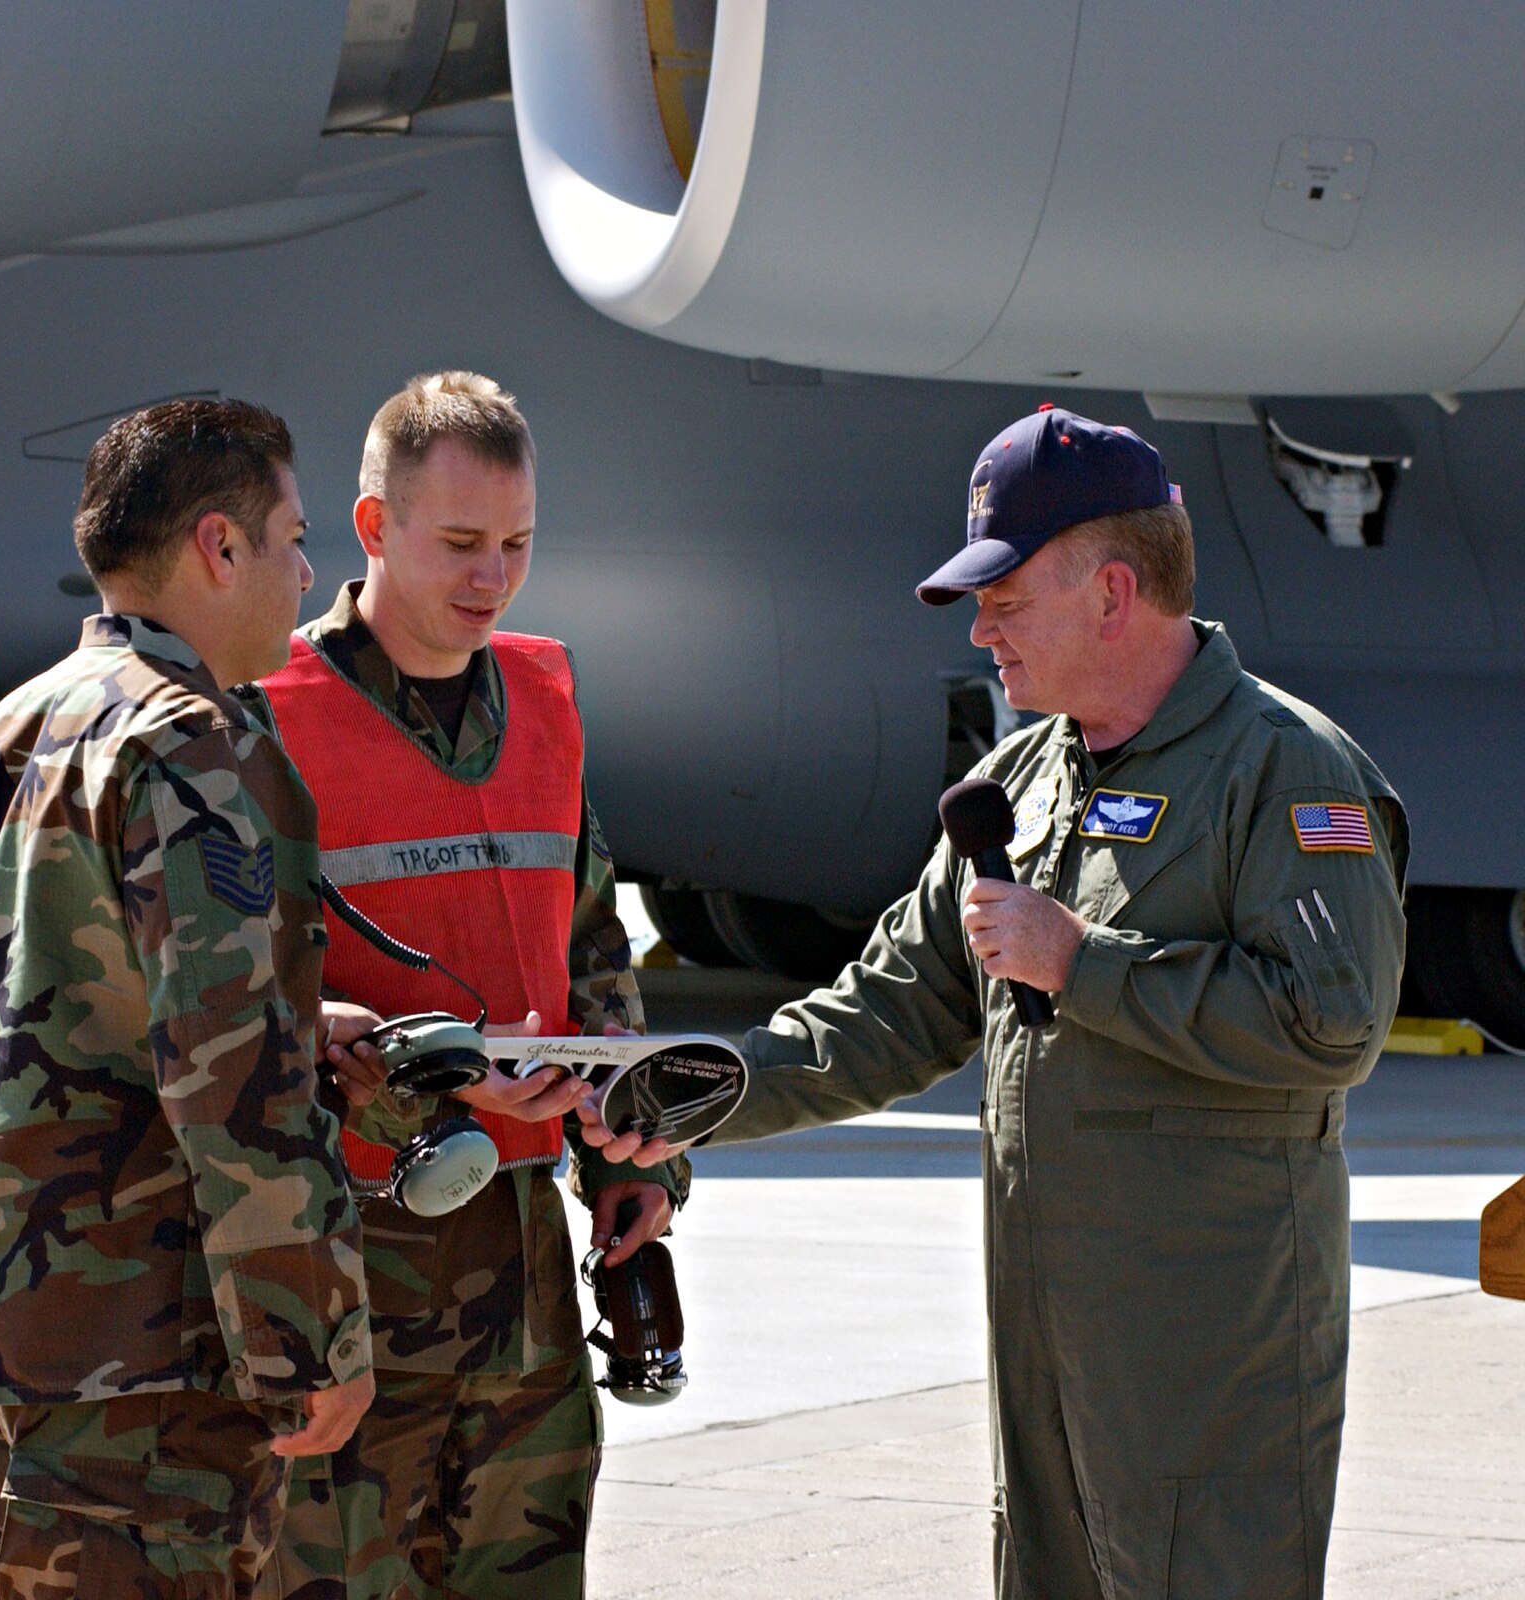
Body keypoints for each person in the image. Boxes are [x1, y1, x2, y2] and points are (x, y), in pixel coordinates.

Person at [581, 406, 1408, 1600]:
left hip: (1206, 1358)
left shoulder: (1284, 770)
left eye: (1006, 600)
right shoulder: (1016, 784)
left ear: (1111, 592)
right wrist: (691, 1095)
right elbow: (889, 1011)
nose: (982, 633)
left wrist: (1087, 965)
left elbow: (1329, 1025)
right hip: (1046, 1347)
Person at [0, 399, 377, 1600]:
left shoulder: (0, 736)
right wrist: (309, 1334)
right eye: (290, 535)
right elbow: (231, 1075)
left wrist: (294, 1016)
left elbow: (31, 1018)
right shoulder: (188, 742)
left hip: (13, 1329)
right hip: (151, 1360)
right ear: (218, 548)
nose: (307, 570)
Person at [245, 372, 687, 1600]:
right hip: (346, 1269)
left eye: (515, 544)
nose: (490, 577)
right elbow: (225, 998)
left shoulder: (543, 694)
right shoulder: (264, 714)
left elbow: (589, 942)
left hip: (522, 1269)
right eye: (458, 544)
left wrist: (628, 1158)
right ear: (373, 527)